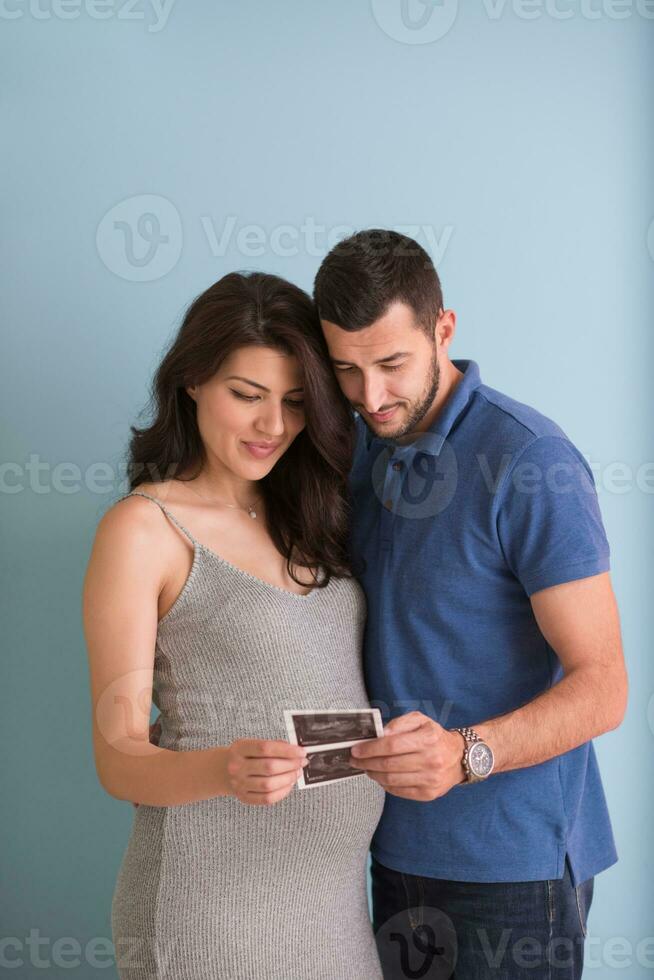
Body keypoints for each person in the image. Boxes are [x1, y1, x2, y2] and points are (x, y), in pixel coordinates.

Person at [312, 229, 628, 980]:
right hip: (391, 851)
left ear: (443, 328)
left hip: (513, 873)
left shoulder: (529, 460)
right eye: (347, 372)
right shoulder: (351, 451)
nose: (372, 397)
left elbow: (604, 685)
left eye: (392, 364)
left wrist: (465, 753)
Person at [82, 271, 386, 980]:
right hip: (209, 909)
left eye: (294, 402)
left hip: (336, 908)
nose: (272, 426)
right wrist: (222, 768)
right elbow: (116, 754)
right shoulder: (145, 530)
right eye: (246, 396)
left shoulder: (311, 514)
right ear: (191, 381)